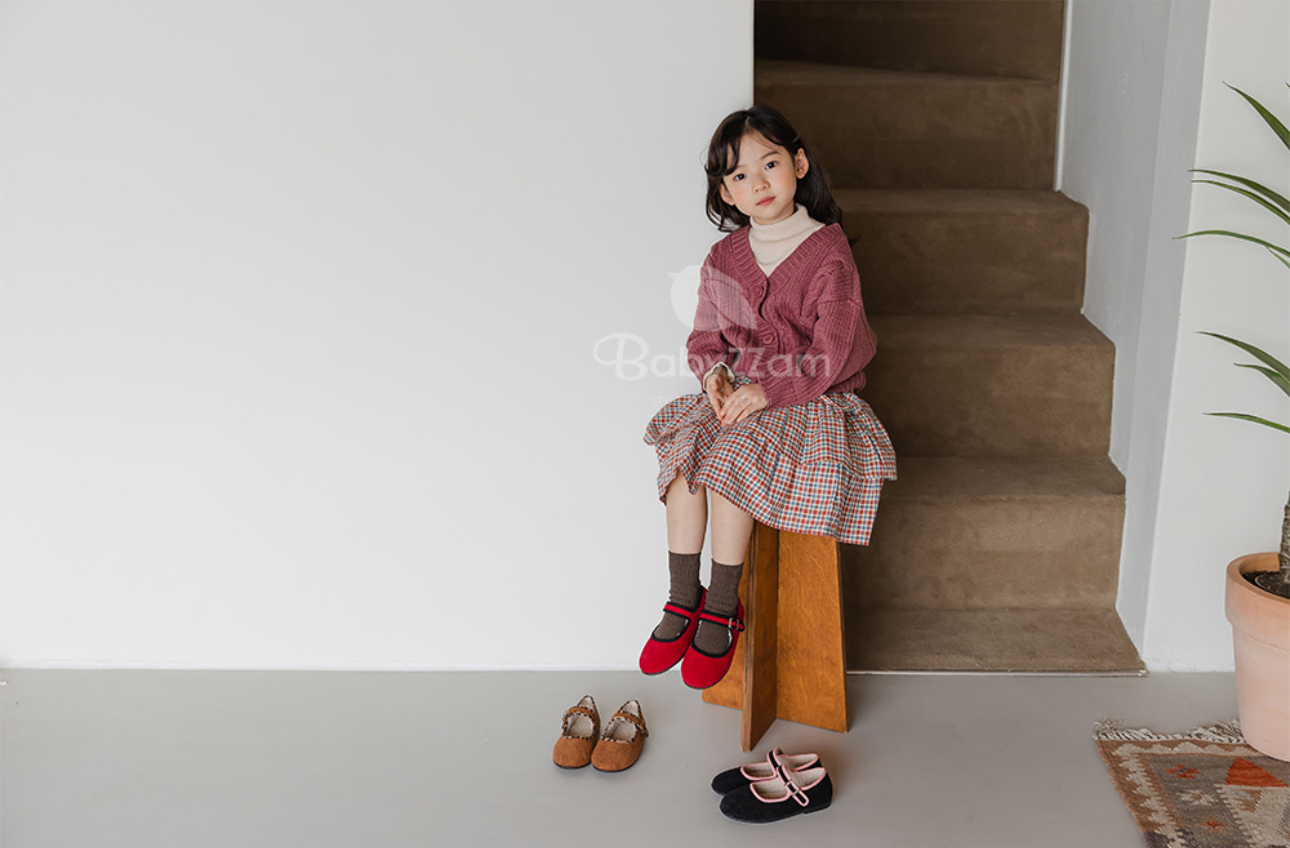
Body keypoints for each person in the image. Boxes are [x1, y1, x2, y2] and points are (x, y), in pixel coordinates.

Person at [639, 104, 897, 690]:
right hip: (743, 395)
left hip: (810, 398)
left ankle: (723, 606)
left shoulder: (829, 254)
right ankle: (684, 597)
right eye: (739, 175)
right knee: (685, 459)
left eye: (770, 164)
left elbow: (833, 353)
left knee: (731, 463)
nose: (757, 183)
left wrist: (768, 389)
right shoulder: (723, 258)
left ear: (799, 165)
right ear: (726, 193)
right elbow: (705, 338)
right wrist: (715, 376)